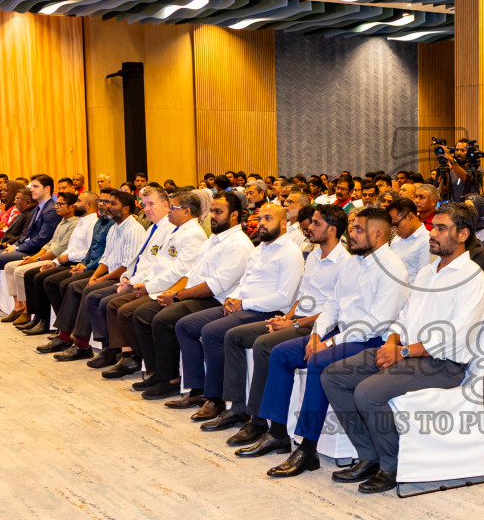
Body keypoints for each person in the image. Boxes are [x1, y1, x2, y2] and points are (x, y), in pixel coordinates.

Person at [320, 202, 484, 494]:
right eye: (432, 227)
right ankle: (369, 455)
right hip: (408, 354)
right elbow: (404, 316)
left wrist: (402, 352)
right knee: (334, 375)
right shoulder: (428, 272)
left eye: (441, 228)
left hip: (444, 365)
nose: (432, 234)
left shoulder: (472, 278)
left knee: (368, 392)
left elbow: (455, 336)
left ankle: (392, 465)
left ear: (463, 235)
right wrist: (392, 341)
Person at [247, 208, 412, 474]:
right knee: (280, 353)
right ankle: (277, 432)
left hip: (370, 342)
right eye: (352, 227)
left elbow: (374, 325)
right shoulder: (353, 262)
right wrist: (316, 335)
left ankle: (307, 448)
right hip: (341, 335)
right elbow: (332, 306)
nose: (351, 234)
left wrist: (328, 344)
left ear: (379, 235)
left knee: (320, 360)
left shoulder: (393, 269)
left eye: (359, 229)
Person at [214, 204, 350, 450]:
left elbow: (335, 309)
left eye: (316, 223)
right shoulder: (316, 256)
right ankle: (240, 409)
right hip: (297, 319)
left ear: (332, 230)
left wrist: (294, 322)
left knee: (264, 346)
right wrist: (285, 317)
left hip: (319, 326)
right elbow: (303, 295)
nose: (309, 227)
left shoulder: (345, 262)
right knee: (236, 335)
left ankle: (262, 424)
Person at [187, 203, 306, 427]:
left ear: (283, 224)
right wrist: (233, 298)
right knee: (192, 325)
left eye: (268, 218)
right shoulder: (258, 248)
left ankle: (226, 403)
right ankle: (213, 396)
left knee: (216, 332)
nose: (261, 223)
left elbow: (284, 297)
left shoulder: (290, 252)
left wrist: (244, 303)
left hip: (268, 311)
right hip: (245, 306)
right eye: (260, 219)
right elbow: (244, 281)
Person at [133, 192, 253, 400]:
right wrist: (173, 291)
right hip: (196, 294)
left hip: (214, 300)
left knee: (165, 320)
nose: (212, 216)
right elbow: (191, 273)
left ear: (234, 215)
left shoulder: (238, 244)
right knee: (145, 312)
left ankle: (175, 381)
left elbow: (214, 286)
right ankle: (161, 373)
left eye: (218, 212)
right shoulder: (213, 240)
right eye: (212, 211)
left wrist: (178, 295)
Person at [100, 187, 209, 379]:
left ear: (186, 211)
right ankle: (147, 364)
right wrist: (140, 282)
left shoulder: (192, 234)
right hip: (157, 284)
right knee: (119, 306)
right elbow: (155, 263)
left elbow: (180, 272)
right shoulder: (175, 230)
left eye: (172, 208)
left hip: (171, 288)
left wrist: (148, 287)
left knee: (133, 312)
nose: (169, 212)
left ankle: (153, 368)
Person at [43, 189, 146, 360]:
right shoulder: (115, 228)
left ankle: (94, 346)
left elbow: (126, 266)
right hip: (111, 274)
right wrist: (94, 277)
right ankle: (67, 336)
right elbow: (105, 258)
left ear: (126, 209)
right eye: (106, 202)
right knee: (77, 285)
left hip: (123, 278)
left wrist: (100, 279)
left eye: (113, 203)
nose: (107, 206)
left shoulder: (133, 230)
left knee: (89, 292)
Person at [0, 175, 59, 320]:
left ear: (47, 189)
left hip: (34, 251)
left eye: (35, 187)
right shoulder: (39, 208)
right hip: (24, 247)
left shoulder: (50, 209)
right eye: (31, 186)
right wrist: (14, 245)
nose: (31, 190)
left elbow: (43, 239)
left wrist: (17, 249)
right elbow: (26, 234)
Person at [23, 190, 107, 336]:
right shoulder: (81, 221)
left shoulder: (92, 223)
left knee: (51, 281)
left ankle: (62, 327)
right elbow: (70, 248)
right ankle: (41, 318)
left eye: (79, 201)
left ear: (88, 204)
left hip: (79, 263)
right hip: (70, 260)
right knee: (33, 275)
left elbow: (89, 251)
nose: (75, 204)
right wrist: (55, 262)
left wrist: (68, 257)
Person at [0, 191, 84, 326]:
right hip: (48, 256)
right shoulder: (62, 221)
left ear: (71, 207)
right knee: (10, 266)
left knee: (22, 272)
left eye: (61, 204)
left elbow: (60, 248)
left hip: (57, 258)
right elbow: (49, 244)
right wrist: (35, 257)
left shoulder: (74, 223)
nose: (57, 207)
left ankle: (29, 312)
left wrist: (38, 260)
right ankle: (18, 307)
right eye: (56, 204)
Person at [386, 195, 430, 282]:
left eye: (396, 224)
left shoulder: (427, 240)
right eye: (392, 226)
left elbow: (424, 280)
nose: (394, 230)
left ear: (410, 217)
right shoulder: (396, 240)